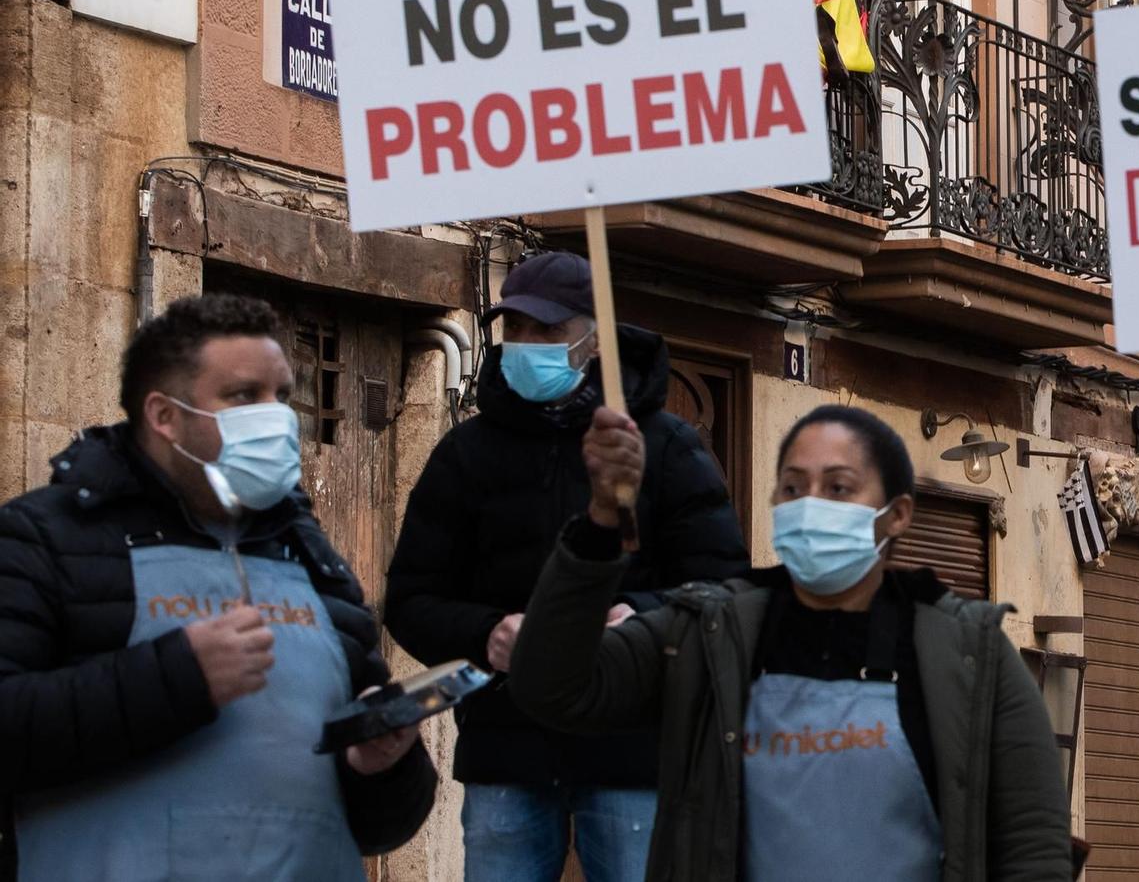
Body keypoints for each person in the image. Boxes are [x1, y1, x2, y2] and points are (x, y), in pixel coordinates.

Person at [509, 403, 1074, 882]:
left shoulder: (972, 652)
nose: (811, 505)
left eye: (838, 488)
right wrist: (602, 520)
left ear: (897, 514)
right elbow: (552, 689)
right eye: (793, 488)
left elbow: (1032, 848)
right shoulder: (706, 635)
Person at [0, 293, 436, 881]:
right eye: (242, 396)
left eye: (281, 396)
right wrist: (177, 676)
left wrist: (385, 763)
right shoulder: (44, 538)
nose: (276, 416)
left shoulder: (312, 557)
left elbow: (381, 827)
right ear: (164, 416)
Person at [384, 249, 749, 882]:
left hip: (634, 752)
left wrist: (641, 622)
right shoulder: (464, 455)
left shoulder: (664, 446)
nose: (526, 344)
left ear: (593, 339)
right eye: (515, 329)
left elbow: (726, 590)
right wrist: (486, 633)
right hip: (507, 747)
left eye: (546, 331)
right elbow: (412, 602)